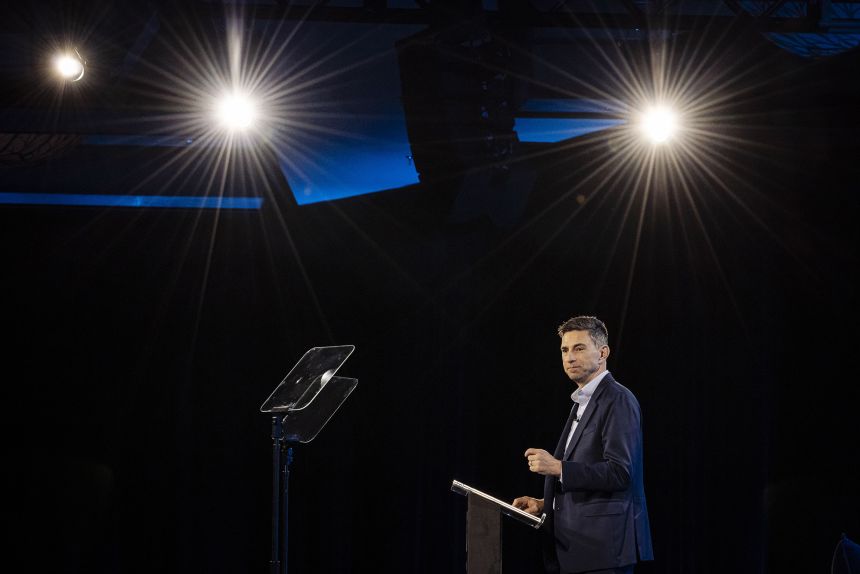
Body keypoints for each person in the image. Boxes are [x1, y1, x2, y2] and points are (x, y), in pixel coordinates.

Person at [512, 316, 653, 574]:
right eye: (564, 350)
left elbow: (621, 473)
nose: (569, 357)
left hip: (602, 552)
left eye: (579, 348)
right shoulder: (582, 402)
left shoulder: (618, 400)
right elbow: (589, 477)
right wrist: (546, 503)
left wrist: (558, 467)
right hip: (575, 551)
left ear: (602, 352)